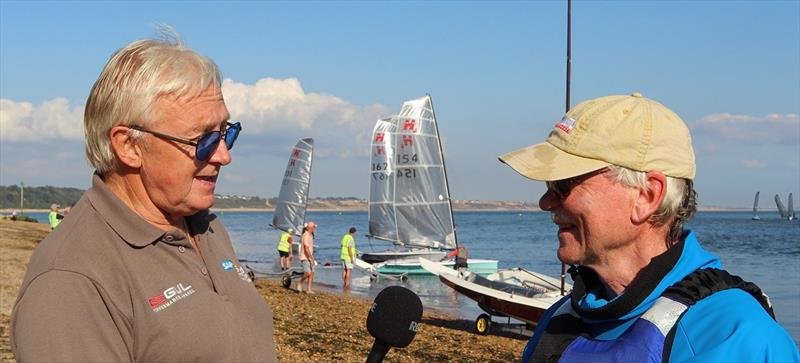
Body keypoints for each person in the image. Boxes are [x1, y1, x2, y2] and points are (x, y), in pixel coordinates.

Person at [10, 28, 278, 361]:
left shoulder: (204, 225)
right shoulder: (69, 280)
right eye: (202, 141)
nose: (223, 155)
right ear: (128, 145)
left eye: (226, 133)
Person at [499, 93, 799, 362]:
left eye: (563, 185)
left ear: (647, 195)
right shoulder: (560, 319)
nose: (545, 201)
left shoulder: (733, 336)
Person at [299, 221, 317, 293]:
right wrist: (311, 258)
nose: (314, 228)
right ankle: (300, 282)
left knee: (312, 273)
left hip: (310, 256)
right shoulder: (305, 235)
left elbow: (310, 247)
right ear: (310, 227)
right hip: (305, 257)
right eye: (314, 227)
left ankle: (309, 289)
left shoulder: (311, 235)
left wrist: (312, 257)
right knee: (308, 273)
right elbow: (306, 248)